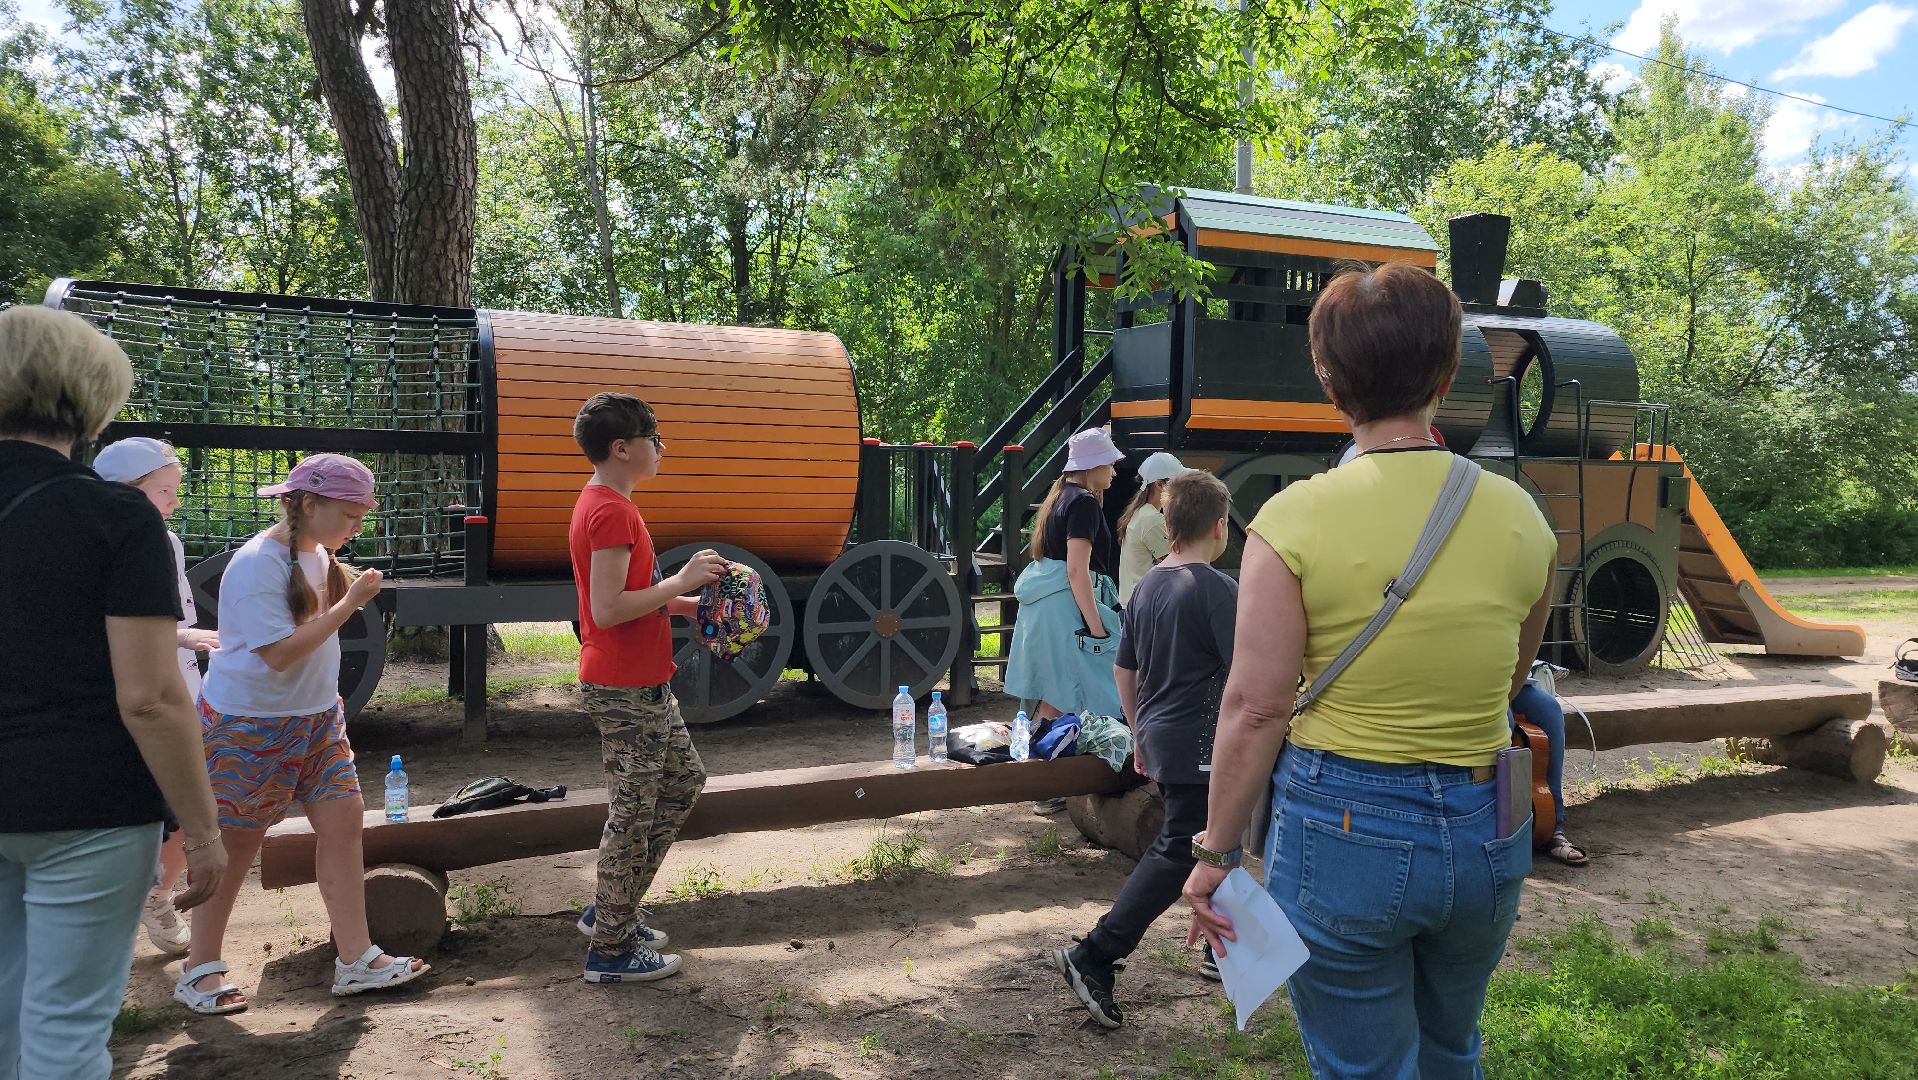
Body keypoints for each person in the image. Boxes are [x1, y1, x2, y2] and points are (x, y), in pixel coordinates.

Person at [1182, 263, 1556, 1079]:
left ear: (1328, 378)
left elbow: (1253, 709)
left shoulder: (1294, 519)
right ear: (1448, 375)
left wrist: (1214, 856)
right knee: (1452, 1046)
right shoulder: (1522, 516)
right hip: (1488, 821)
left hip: (1343, 831)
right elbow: (1512, 676)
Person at [0, 306, 227, 1080]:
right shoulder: (114, 515)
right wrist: (200, 831)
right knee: (64, 1035)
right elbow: (151, 697)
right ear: (93, 397)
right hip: (88, 804)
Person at [179, 453, 426, 1014]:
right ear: (308, 503)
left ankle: (356, 959)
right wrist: (349, 605)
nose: (357, 527)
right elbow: (279, 657)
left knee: (344, 825)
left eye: (363, 515)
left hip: (318, 718)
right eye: (350, 514)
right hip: (250, 725)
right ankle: (199, 970)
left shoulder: (317, 554)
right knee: (237, 847)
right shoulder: (256, 564)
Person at [1054, 471, 1235, 1028]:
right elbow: (1244, 675)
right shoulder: (1219, 589)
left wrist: (1138, 731)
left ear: (1169, 523)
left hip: (1158, 732)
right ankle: (1096, 954)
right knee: (1186, 845)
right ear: (1220, 527)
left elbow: (1123, 669)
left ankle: (1218, 949)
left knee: (1213, 837)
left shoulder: (1151, 584)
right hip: (1200, 739)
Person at [567, 392, 725, 985]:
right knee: (631, 815)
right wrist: (681, 580)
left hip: (642, 682)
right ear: (622, 448)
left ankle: (614, 908)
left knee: (685, 781)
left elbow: (622, 600)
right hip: (624, 685)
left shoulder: (608, 502)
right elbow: (606, 611)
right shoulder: (611, 511)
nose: (661, 447)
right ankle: (609, 949)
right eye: (653, 437)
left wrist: (689, 606)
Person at [93, 437, 221, 956]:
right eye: (165, 490)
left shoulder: (166, 538)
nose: (174, 500)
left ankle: (157, 895)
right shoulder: (108, 539)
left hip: (180, 686)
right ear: (126, 491)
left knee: (185, 797)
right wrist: (187, 635)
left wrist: (190, 639)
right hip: (142, 693)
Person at [1004, 425, 1126, 815]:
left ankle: (1037, 774)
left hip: (1047, 601)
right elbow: (1078, 570)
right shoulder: (1085, 503)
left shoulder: (1061, 498)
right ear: (1091, 466)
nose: (1114, 471)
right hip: (1064, 605)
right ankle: (1045, 784)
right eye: (1109, 462)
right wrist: (1096, 625)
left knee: (1054, 693)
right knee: (1061, 694)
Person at [1512, 673, 1588, 866]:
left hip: (1508, 679)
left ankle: (1553, 827)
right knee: (1502, 720)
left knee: (1549, 709)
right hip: (1469, 682)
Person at [1116, 451, 1191, 607]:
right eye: (1177, 483)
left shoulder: (1142, 513)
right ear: (1159, 484)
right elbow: (1179, 567)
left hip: (1136, 605)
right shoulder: (1151, 519)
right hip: (1145, 608)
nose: (1182, 489)